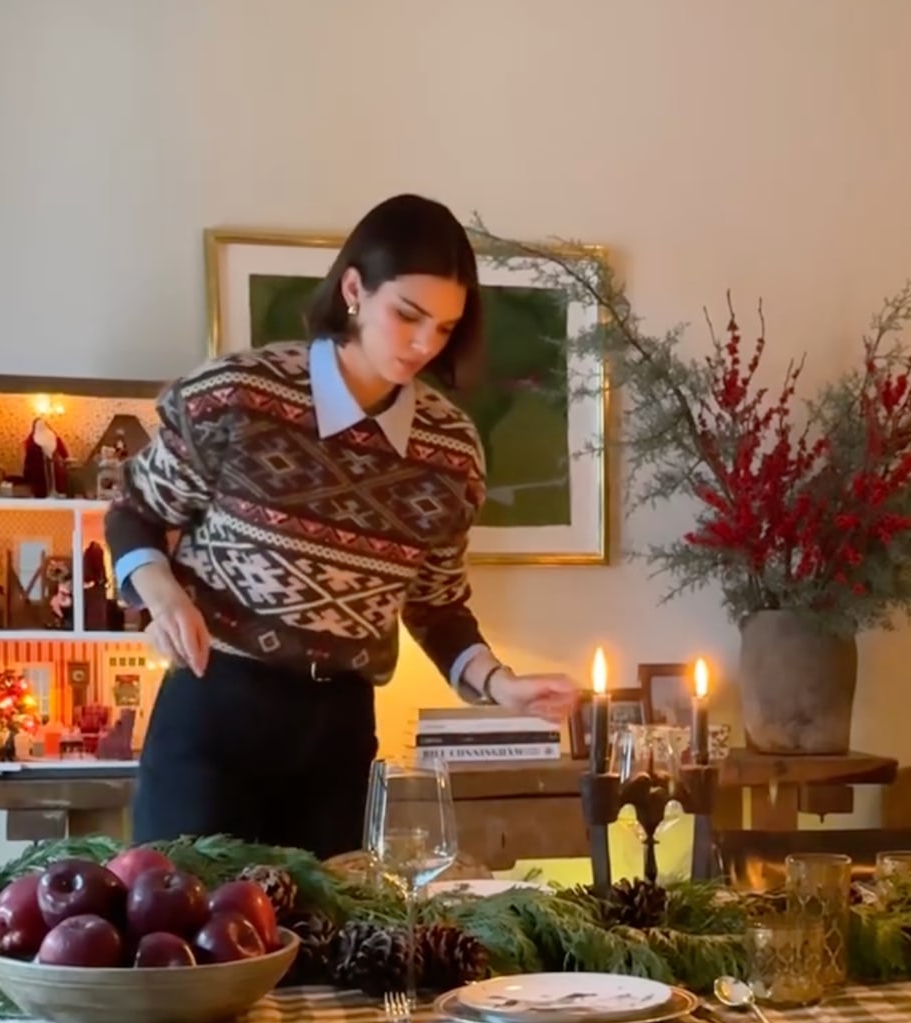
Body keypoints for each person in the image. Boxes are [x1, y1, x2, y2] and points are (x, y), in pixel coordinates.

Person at [105, 193, 577, 858]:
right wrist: (163, 594)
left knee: (325, 948)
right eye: (407, 316)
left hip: (338, 733)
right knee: (183, 937)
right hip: (215, 715)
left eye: (444, 328)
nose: (422, 344)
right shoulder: (238, 396)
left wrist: (502, 685)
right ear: (354, 288)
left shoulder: (450, 452)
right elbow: (134, 513)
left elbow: (437, 607)